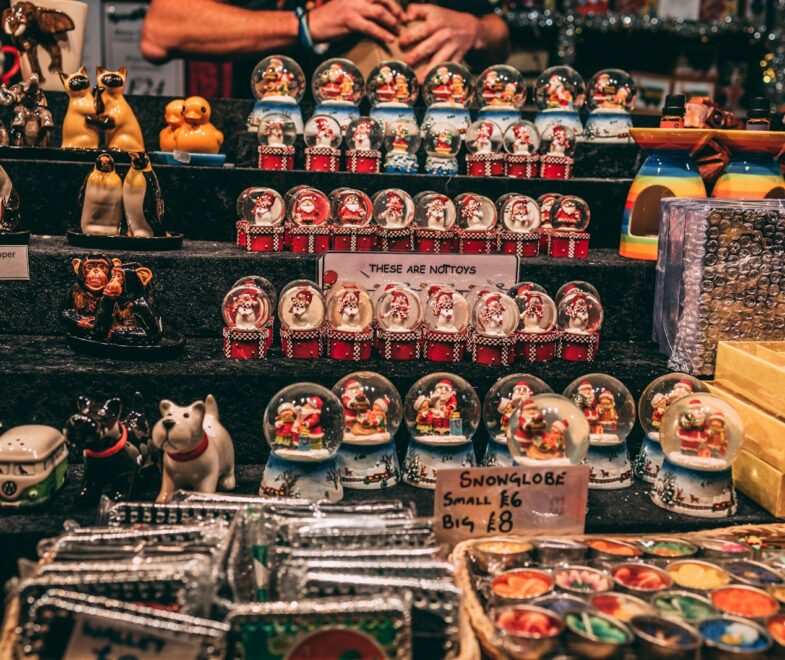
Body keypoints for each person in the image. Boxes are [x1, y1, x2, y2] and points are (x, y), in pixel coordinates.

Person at [141, 0, 509, 93]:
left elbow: (499, 37)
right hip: (286, 157)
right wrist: (305, 24)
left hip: (419, 161)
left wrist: (475, 28)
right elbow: (162, 29)